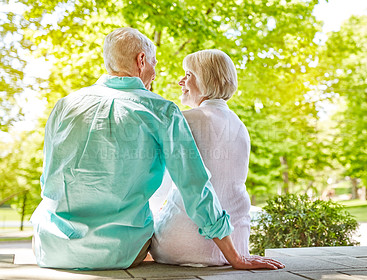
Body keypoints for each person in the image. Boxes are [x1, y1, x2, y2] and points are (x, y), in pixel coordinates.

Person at [30, 27, 285, 271]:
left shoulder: (64, 105)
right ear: (141, 60)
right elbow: (194, 185)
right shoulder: (162, 111)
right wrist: (234, 256)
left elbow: (49, 179)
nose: (156, 73)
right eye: (154, 63)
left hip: (51, 247)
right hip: (120, 252)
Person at [151, 49, 253, 266]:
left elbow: (160, 188)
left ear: (208, 80)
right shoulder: (240, 126)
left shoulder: (183, 120)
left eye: (188, 75)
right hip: (237, 243)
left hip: (181, 244)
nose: (180, 81)